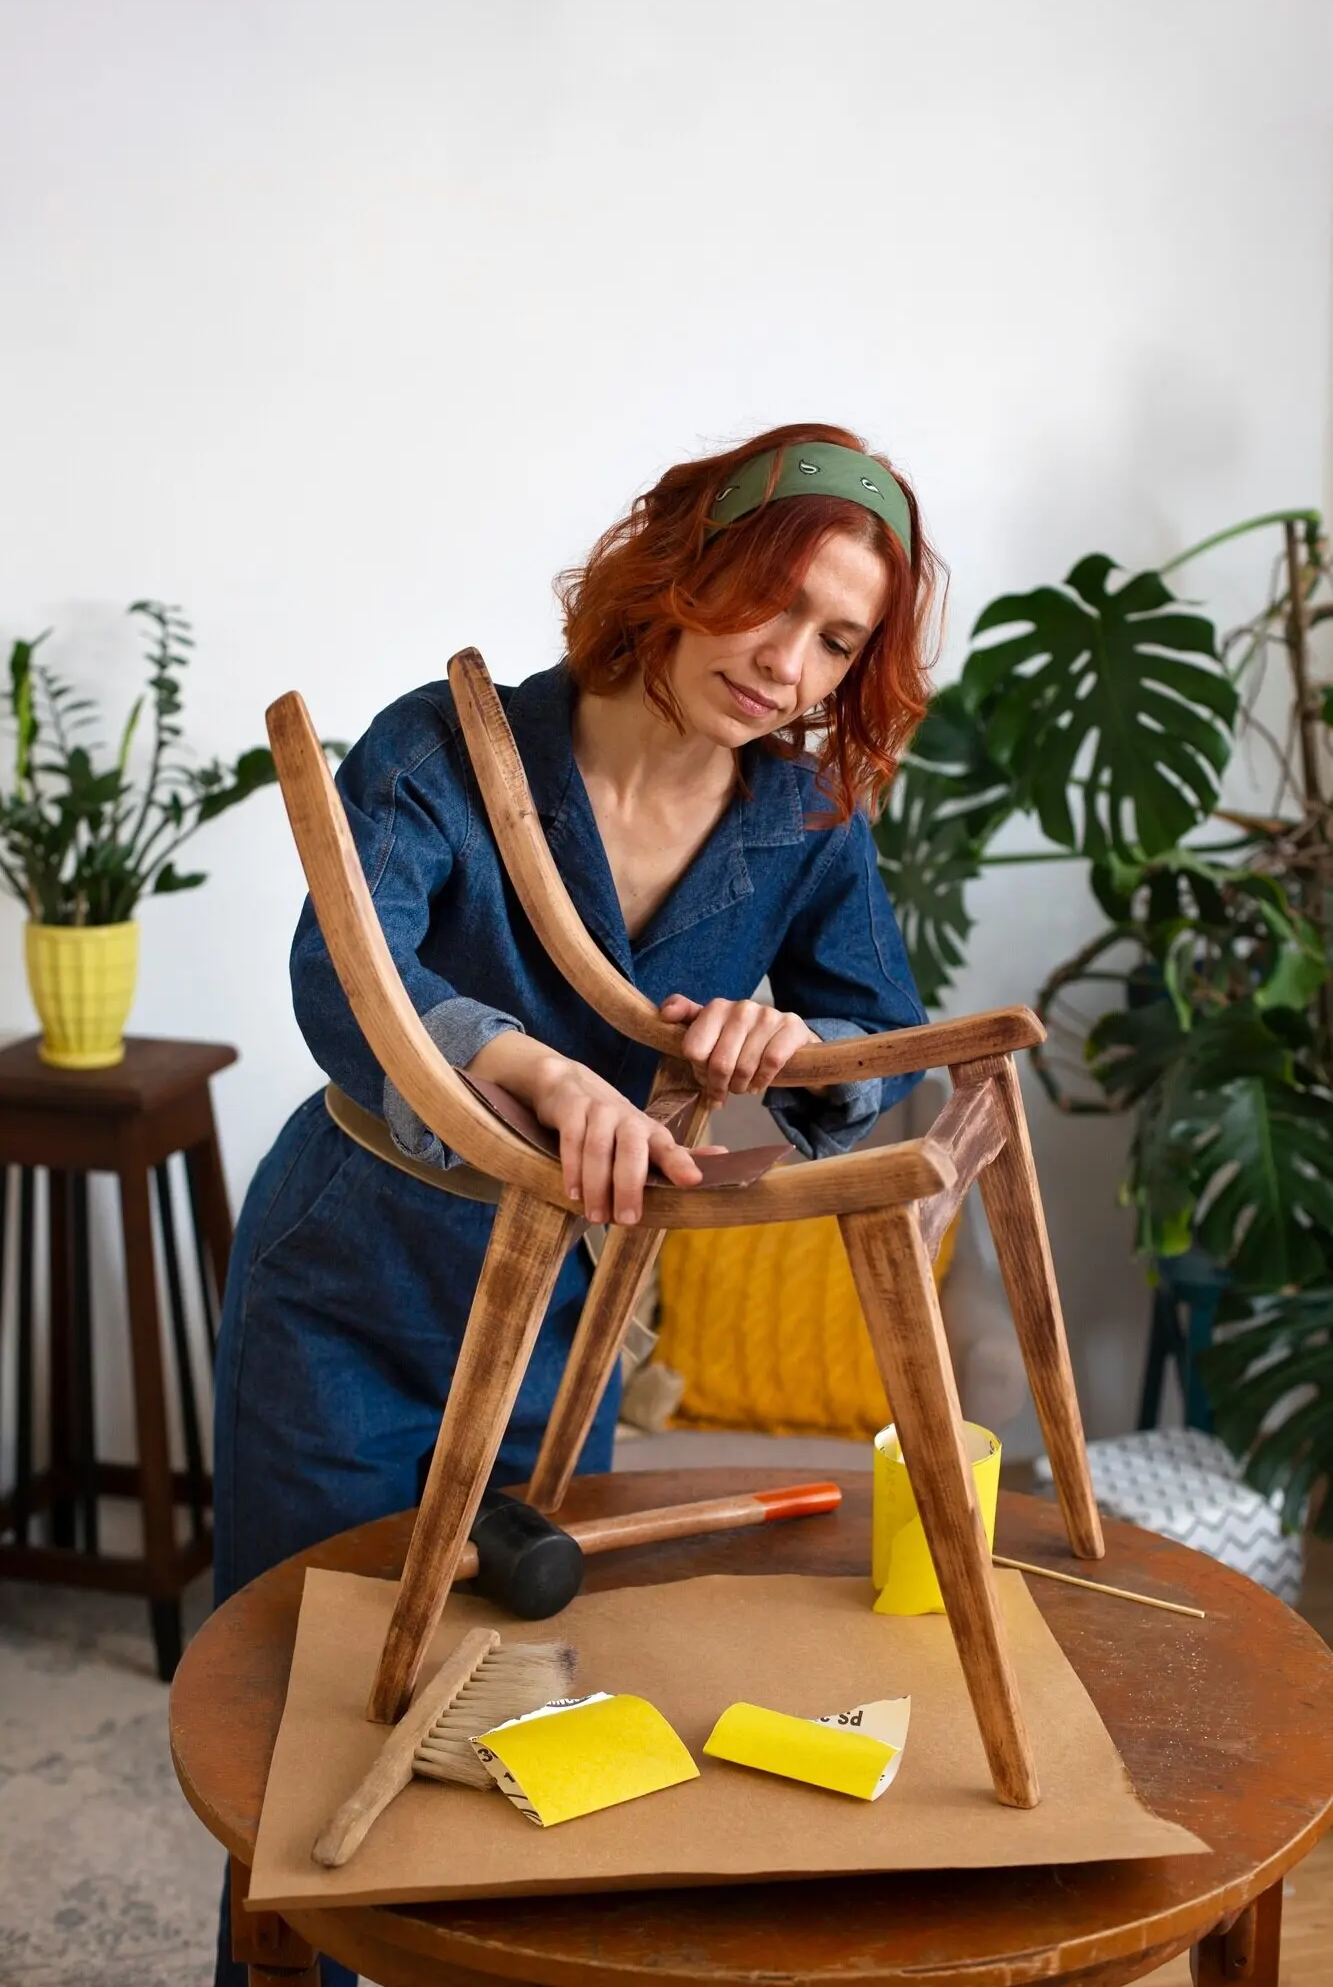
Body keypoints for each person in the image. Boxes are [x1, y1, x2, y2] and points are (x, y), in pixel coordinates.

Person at [210, 422, 939, 1984]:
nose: (790, 666)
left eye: (838, 640)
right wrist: (534, 1069)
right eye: (774, 602)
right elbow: (344, 967)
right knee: (301, 1724)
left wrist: (791, 1046)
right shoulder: (444, 747)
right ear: (682, 564)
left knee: (511, 1708)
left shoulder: (805, 820)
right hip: (349, 1278)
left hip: (564, 1322)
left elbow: (877, 1046)